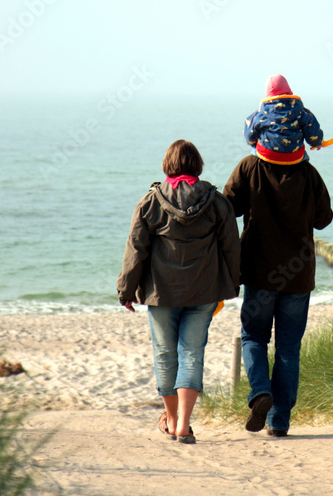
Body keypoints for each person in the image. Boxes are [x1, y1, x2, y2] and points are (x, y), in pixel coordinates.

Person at [117, 139, 240, 444]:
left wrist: (126, 289)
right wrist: (231, 285)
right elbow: (231, 247)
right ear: (197, 165)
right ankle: (184, 424)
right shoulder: (217, 202)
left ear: (167, 165)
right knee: (192, 354)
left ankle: (171, 421)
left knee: (165, 355)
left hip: (162, 293)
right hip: (203, 291)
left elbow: (136, 248)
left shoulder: (150, 202)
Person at [223, 146, 333, 437]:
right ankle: (279, 421)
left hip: (259, 273)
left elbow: (228, 208)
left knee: (253, 337)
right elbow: (323, 218)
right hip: (298, 274)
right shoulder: (309, 173)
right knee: (288, 347)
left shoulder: (249, 167)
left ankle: (260, 392)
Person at [244, 74, 325, 164]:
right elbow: (313, 133)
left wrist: (253, 144)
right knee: (306, 164)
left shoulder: (259, 114)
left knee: (253, 155)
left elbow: (249, 136)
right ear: (289, 90)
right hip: (294, 157)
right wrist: (317, 143)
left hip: (267, 154)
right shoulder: (303, 113)